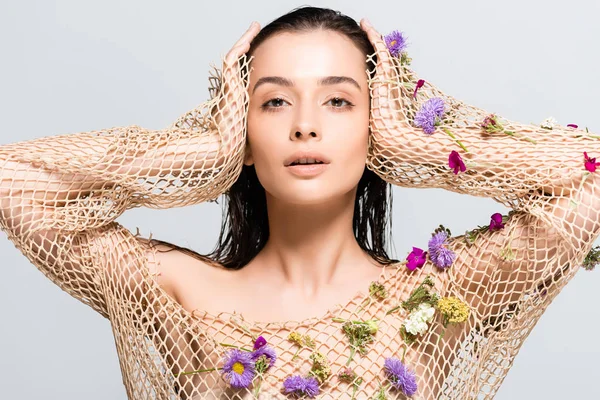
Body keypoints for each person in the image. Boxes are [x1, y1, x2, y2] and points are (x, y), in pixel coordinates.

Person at [0, 5, 598, 399]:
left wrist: (414, 141)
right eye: (274, 102)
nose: (305, 126)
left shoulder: (442, 293)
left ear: (375, 123)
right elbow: (13, 179)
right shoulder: (179, 291)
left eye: (338, 101)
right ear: (245, 131)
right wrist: (210, 148)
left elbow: (590, 180)